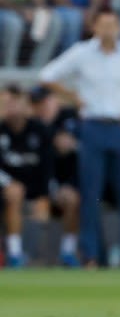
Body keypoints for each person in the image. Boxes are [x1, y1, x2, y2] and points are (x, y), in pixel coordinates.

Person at [38, 8, 120, 269]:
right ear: (94, 27)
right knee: (91, 194)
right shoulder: (81, 53)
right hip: (92, 127)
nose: (108, 29)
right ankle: (91, 255)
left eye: (113, 24)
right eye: (103, 24)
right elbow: (47, 77)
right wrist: (72, 97)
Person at [0, 84, 53, 268]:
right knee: (14, 193)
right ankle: (14, 254)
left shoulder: (39, 130)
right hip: (5, 188)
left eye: (14, 102)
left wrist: (44, 196)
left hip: (31, 188)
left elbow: (47, 167)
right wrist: (8, 183)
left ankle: (69, 254)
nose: (11, 108)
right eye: (6, 103)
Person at [28, 85, 80, 267]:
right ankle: (25, 257)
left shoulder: (71, 119)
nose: (41, 107)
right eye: (36, 104)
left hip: (67, 185)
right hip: (38, 188)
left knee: (72, 199)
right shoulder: (32, 126)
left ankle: (68, 251)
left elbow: (78, 160)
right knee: (37, 207)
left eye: (45, 102)